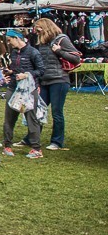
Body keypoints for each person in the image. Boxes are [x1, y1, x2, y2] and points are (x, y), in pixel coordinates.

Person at [33, 17, 80, 151]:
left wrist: (59, 51)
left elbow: (76, 58)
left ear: (45, 27)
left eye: (38, 29)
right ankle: (32, 137)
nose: (36, 32)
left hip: (59, 80)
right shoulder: (42, 42)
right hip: (45, 80)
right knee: (38, 110)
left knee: (56, 112)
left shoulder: (62, 39)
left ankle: (57, 141)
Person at [0, 30, 43, 159]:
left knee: (31, 118)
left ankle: (36, 148)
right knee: (9, 118)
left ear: (17, 38)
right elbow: (15, 69)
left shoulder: (34, 52)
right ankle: (7, 146)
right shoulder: (13, 53)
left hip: (29, 90)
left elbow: (41, 70)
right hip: (13, 88)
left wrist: (27, 75)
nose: (9, 43)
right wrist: (9, 72)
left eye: (9, 40)